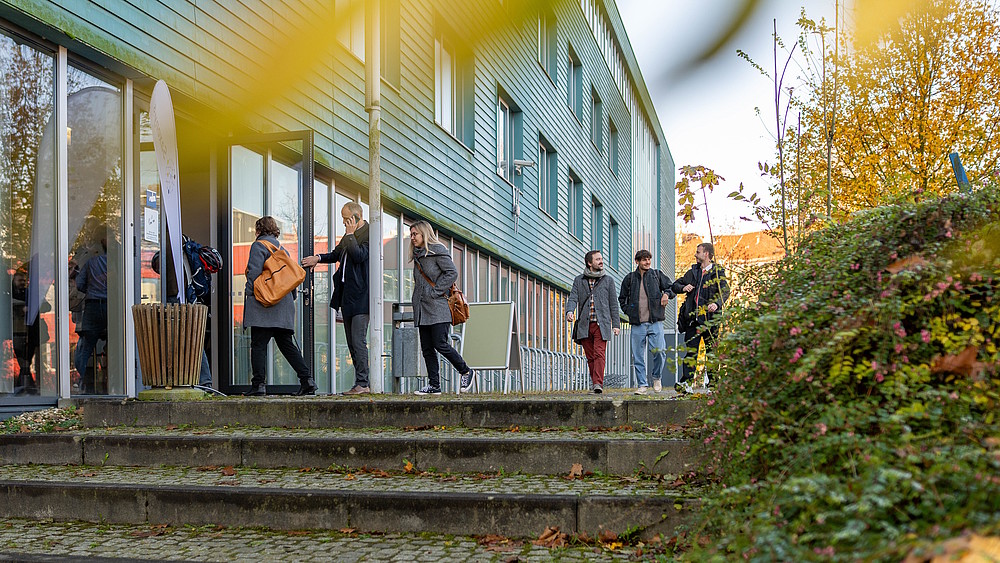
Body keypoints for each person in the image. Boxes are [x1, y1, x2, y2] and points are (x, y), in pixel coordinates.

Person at [302, 202, 371, 395]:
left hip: (361, 297)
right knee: (351, 342)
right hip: (346, 296)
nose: (343, 222)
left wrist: (350, 235)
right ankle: (360, 383)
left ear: (356, 217)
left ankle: (363, 383)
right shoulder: (348, 237)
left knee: (358, 341)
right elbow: (336, 254)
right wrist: (318, 258)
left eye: (346, 218)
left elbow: (359, 256)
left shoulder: (368, 234)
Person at [243, 216, 313, 396]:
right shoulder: (282, 250)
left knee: (258, 345)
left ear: (258, 231)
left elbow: (254, 274)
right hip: (284, 304)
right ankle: (307, 380)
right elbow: (289, 280)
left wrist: (250, 294)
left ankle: (258, 385)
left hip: (264, 305)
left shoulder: (259, 246)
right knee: (287, 345)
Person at [409, 220, 474, 395]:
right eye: (411, 234)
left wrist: (435, 292)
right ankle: (434, 385)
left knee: (440, 343)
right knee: (427, 348)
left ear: (424, 233)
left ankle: (466, 371)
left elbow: (452, 273)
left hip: (438, 307)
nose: (412, 237)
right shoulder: (417, 255)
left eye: (415, 234)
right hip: (423, 309)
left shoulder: (438, 251)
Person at [672, 242, 730, 394]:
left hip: (711, 321)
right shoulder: (693, 272)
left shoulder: (717, 272)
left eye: (698, 252)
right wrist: (683, 288)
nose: (695, 254)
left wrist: (717, 304)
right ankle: (687, 384)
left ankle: (712, 385)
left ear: (706, 254)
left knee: (711, 352)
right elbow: (675, 285)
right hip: (693, 321)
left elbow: (725, 292)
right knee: (691, 352)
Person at [618, 249, 674, 395]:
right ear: (637, 262)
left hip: (655, 321)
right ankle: (642, 384)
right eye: (644, 260)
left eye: (649, 259)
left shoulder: (657, 275)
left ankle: (656, 377)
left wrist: (666, 294)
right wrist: (628, 311)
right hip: (637, 324)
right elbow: (621, 298)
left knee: (660, 352)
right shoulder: (629, 278)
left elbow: (671, 288)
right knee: (638, 355)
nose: (647, 262)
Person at [566, 250, 620, 394]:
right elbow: (573, 297)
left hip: (601, 325)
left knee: (599, 354)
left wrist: (616, 324)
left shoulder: (608, 280)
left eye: (601, 259)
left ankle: (598, 384)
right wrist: (570, 311)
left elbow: (613, 304)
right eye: (598, 259)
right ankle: (595, 383)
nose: (601, 261)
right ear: (590, 263)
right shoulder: (579, 280)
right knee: (590, 357)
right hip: (584, 325)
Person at [75, 237, 109, 394]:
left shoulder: (90, 262)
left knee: (86, 345)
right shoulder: (117, 262)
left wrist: (92, 288)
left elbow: (80, 284)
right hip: (112, 307)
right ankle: (113, 381)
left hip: (93, 305)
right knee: (117, 345)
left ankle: (81, 381)